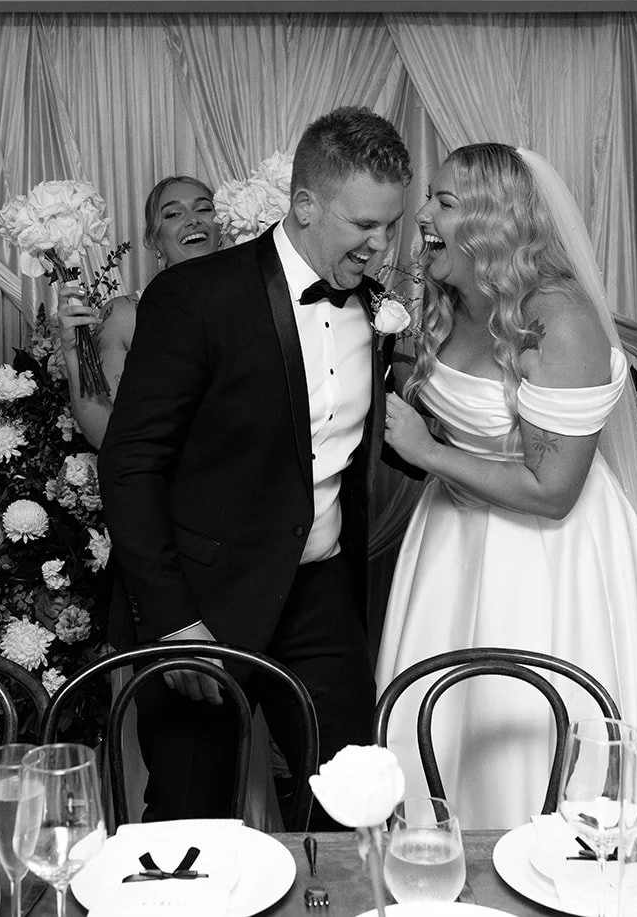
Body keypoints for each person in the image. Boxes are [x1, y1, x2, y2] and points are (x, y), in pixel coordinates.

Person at [377, 143, 637, 830]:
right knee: (440, 731)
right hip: (451, 543)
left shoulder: (560, 319)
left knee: (522, 733)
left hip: (546, 556)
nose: (424, 214)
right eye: (429, 196)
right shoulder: (453, 300)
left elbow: (552, 489)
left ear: (494, 218)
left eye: (444, 200)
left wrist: (426, 450)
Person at [99, 106, 410, 824]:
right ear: (304, 204)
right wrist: (174, 622)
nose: (380, 245)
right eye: (364, 224)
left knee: (350, 804)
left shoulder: (377, 305)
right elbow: (130, 462)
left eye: (390, 225)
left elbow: (352, 441)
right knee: (192, 813)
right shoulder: (195, 297)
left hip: (321, 595)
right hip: (205, 601)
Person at [58, 176, 220, 449]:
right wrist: (73, 353)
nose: (193, 220)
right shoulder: (127, 316)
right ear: (154, 240)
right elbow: (105, 435)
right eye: (173, 214)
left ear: (222, 226)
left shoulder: (259, 300)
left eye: (204, 209)